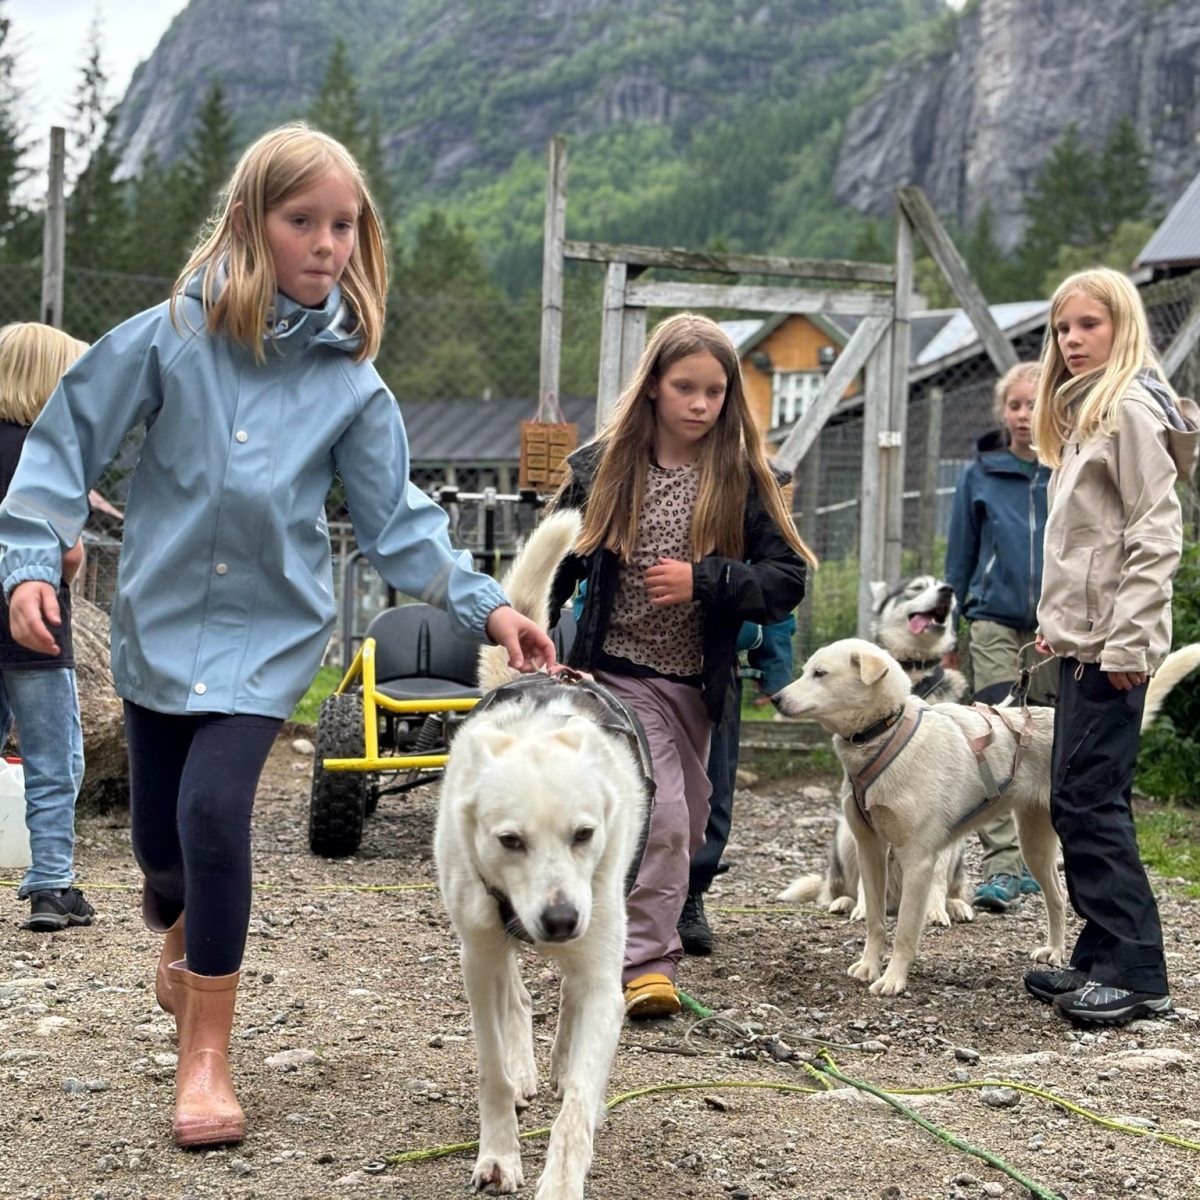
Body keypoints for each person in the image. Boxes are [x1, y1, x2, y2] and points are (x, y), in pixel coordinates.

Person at [0, 124, 555, 1148]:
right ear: (254, 223)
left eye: (345, 225)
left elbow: (402, 528)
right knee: (161, 846)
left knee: (215, 816)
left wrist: (491, 605)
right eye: (305, 220)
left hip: (268, 640)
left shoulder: (352, 384)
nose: (328, 242)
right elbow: (65, 433)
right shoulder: (170, 335)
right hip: (159, 630)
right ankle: (176, 927)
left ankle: (205, 1057)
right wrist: (30, 561)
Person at [548, 313, 813, 1018]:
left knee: (689, 823)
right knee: (662, 816)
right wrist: (547, 641)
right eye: (685, 388)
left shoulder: (742, 478)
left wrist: (708, 581)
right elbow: (558, 557)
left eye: (715, 392)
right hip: (612, 675)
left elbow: (787, 579)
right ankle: (642, 966)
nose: (700, 404)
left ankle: (599, 925)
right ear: (654, 389)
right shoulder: (607, 469)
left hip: (694, 683)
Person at [1023, 267, 1198, 1025]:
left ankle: (1136, 971)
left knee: (1090, 801)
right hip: (1084, 641)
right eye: (1064, 329)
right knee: (1076, 797)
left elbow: (1154, 537)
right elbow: (1086, 542)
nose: (1072, 340)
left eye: (1089, 325)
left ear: (1123, 325)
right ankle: (1099, 954)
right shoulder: (1089, 410)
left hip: (1114, 648)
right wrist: (1058, 624)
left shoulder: (1127, 408)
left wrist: (1129, 643)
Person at [944, 361, 1053, 913]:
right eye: (1015, 405)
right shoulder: (979, 473)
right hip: (991, 621)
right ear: (1002, 411)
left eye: (1034, 404)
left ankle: (1043, 862)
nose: (1023, 415)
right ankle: (1004, 866)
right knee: (993, 733)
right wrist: (947, 624)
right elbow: (959, 556)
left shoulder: (1069, 468)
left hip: (1055, 628)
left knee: (1048, 743)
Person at [0, 323, 92, 932]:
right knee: (52, 759)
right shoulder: (47, 456)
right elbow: (64, 555)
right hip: (35, 634)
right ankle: (51, 886)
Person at [677, 612, 796, 956]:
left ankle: (689, 892)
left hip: (715, 657)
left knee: (711, 783)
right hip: (630, 658)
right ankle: (627, 893)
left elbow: (772, 587)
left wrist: (774, 665)